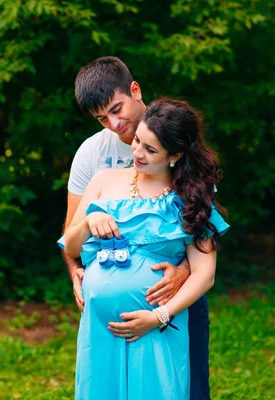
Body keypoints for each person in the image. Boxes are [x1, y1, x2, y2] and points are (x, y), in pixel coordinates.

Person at [61, 57, 211, 399]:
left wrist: (182, 274)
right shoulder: (92, 157)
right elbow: (71, 235)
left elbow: (201, 239)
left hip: (172, 305)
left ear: (135, 90)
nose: (114, 125)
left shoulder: (181, 155)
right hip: (103, 323)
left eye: (117, 110)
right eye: (102, 118)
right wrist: (76, 272)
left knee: (189, 387)